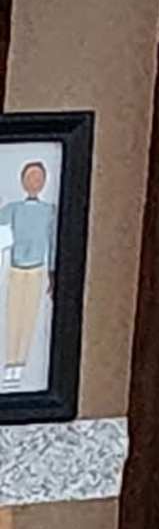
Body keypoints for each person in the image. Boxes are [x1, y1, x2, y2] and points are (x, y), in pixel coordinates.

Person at [0, 156, 55, 391]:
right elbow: (2, 239)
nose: (34, 181)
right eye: (30, 176)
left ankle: (20, 364)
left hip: (36, 271)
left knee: (29, 316)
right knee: (13, 315)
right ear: (23, 181)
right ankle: (10, 362)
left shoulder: (49, 211)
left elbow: (53, 243)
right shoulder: (12, 209)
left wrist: (52, 272)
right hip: (15, 269)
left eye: (38, 177)